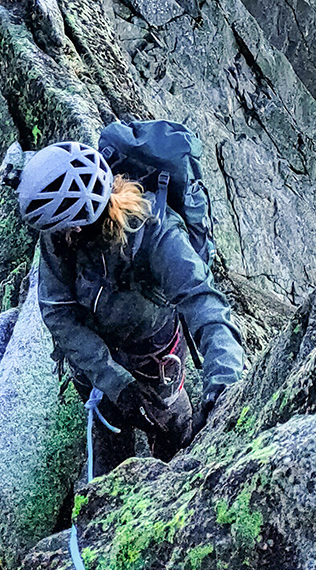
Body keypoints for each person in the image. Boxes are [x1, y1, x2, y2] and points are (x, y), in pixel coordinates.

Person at [18, 138, 245, 474]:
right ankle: (113, 480)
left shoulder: (157, 236)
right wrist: (114, 383)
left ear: (78, 222)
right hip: (95, 357)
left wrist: (225, 384)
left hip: (154, 354)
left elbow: (205, 304)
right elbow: (57, 312)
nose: (54, 237)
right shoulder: (60, 236)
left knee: (174, 426)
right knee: (110, 427)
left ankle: (169, 470)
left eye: (61, 229)